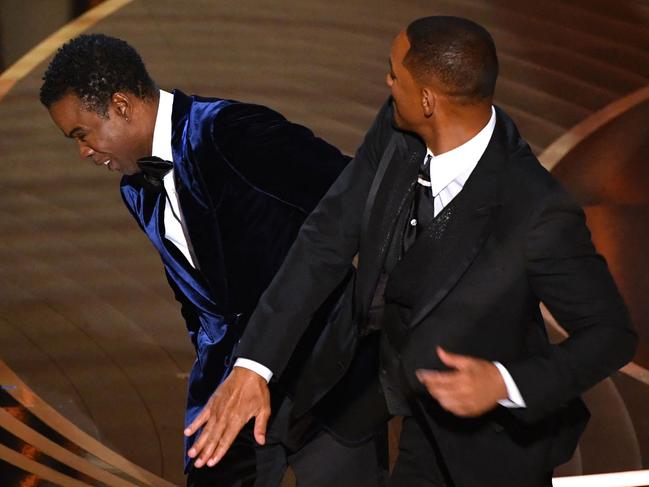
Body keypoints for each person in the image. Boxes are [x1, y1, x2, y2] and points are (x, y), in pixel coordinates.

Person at [185, 16, 638, 487]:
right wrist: (254, 366)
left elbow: (610, 334)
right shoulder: (398, 126)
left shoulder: (535, 210)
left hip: (481, 443)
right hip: (373, 374)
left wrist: (505, 383)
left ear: (427, 100)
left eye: (394, 75)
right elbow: (326, 238)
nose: (386, 83)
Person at [40, 33, 388, 487]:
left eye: (81, 134)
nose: (83, 151)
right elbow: (199, 300)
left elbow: (354, 197)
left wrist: (377, 311)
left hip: (329, 378)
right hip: (229, 389)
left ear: (122, 106)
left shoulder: (229, 131)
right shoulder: (135, 189)